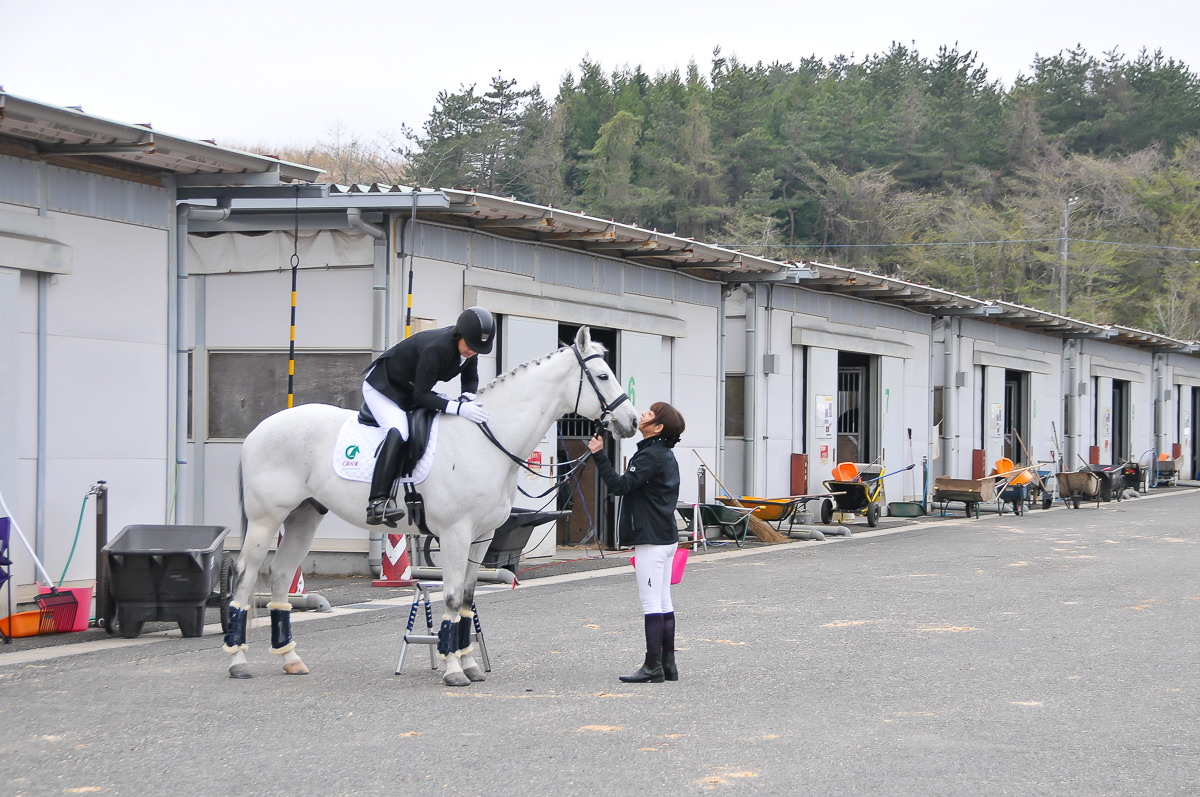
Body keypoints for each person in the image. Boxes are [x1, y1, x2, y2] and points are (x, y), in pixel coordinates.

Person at [361, 306, 495, 526]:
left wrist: (467, 397)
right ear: (459, 334)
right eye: (471, 346)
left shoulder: (470, 349)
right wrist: (459, 409)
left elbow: (470, 378)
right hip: (384, 387)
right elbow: (422, 395)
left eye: (478, 348)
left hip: (409, 390)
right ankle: (377, 503)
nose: (473, 351)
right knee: (399, 431)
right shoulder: (436, 348)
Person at [587, 401, 686, 683]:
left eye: (650, 414)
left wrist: (598, 455)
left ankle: (652, 665)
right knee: (664, 600)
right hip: (666, 538)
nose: (643, 414)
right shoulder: (663, 454)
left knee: (650, 601)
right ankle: (668, 665)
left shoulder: (650, 456)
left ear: (658, 427)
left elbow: (620, 486)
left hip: (651, 539)